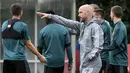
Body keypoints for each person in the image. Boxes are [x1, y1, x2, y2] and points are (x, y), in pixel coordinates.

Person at [37, 4, 104, 73]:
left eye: (80, 12)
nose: (78, 15)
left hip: (92, 65)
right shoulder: (82, 26)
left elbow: (98, 47)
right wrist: (50, 16)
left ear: (88, 13)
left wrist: (87, 58)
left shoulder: (95, 27)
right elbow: (67, 22)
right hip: (84, 65)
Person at [1, 3, 46, 73]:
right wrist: (40, 56)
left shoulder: (4, 24)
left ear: (11, 12)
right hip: (19, 61)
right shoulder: (22, 26)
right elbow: (28, 44)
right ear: (21, 12)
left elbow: (3, 41)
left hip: (6, 62)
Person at [103, 5, 128, 73]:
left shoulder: (119, 27)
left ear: (113, 14)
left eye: (110, 12)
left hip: (119, 62)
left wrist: (100, 48)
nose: (110, 14)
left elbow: (115, 44)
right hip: (112, 61)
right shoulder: (117, 26)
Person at [94, 9, 112, 73]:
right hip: (104, 54)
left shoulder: (103, 27)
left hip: (103, 55)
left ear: (98, 16)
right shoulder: (106, 25)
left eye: (94, 17)